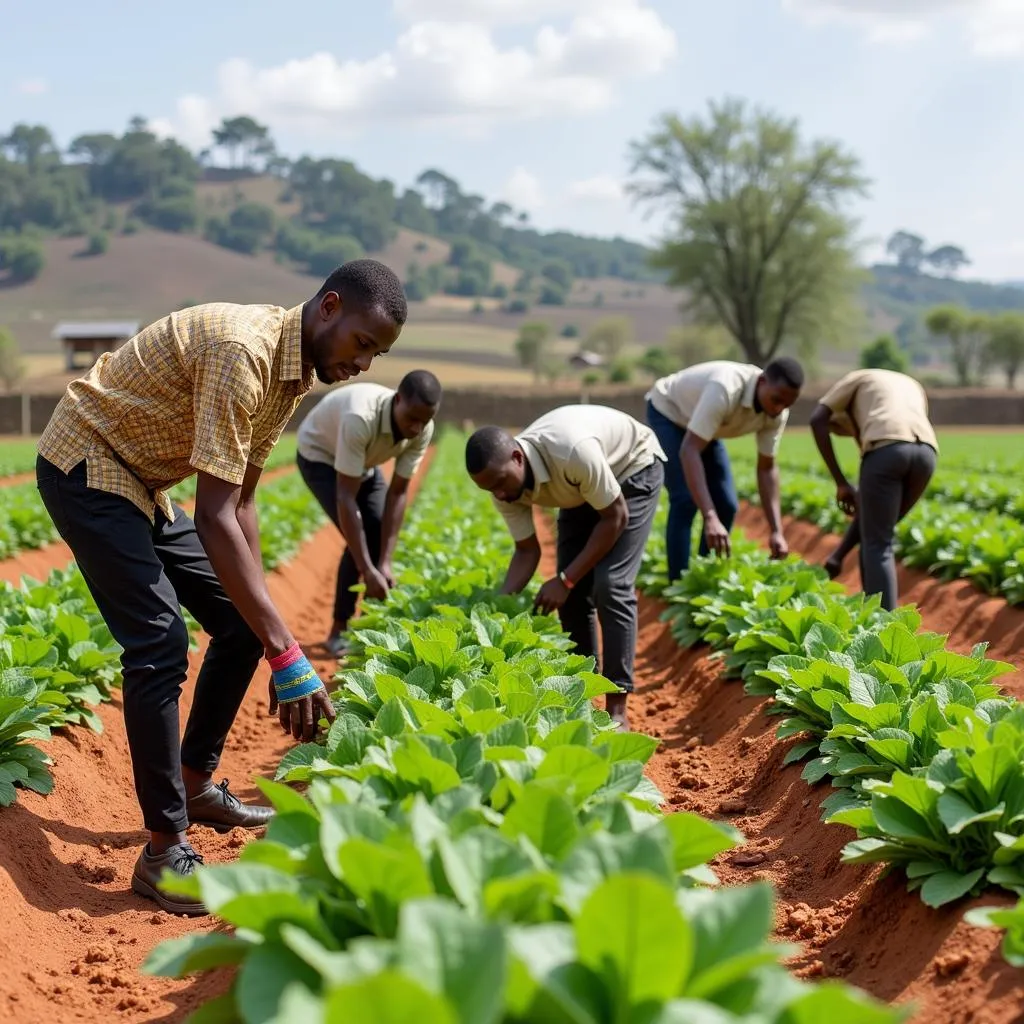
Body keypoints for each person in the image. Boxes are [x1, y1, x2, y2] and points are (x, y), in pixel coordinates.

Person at [34, 259, 407, 915]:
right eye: (363, 344)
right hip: (89, 461)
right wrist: (287, 650)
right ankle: (162, 850)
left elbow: (243, 506)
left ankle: (195, 782)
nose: (365, 365)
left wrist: (266, 627)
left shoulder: (290, 377)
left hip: (142, 479)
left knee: (236, 622)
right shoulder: (245, 353)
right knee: (159, 642)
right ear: (329, 308)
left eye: (377, 354)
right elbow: (212, 514)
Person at [465, 406, 666, 729]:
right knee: (571, 596)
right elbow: (527, 551)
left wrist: (566, 578)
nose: (499, 494)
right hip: (577, 489)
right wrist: (497, 605)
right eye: (490, 489)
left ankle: (617, 705)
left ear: (517, 458)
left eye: (501, 483)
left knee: (611, 584)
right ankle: (583, 691)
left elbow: (615, 517)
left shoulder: (571, 451)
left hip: (631, 468)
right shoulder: (502, 487)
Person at [296, 371, 441, 656]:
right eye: (411, 418)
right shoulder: (360, 418)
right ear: (397, 400)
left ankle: (366, 628)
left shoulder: (422, 427)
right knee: (357, 539)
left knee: (375, 534)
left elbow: (398, 493)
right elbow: (345, 497)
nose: (416, 427)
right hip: (320, 455)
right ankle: (338, 630)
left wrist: (384, 563)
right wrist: (366, 569)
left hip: (364, 463)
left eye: (423, 421)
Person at [645, 358, 804, 581]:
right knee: (685, 499)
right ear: (762, 382)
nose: (779, 409)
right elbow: (689, 450)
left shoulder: (777, 412)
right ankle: (678, 583)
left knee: (727, 505)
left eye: (787, 405)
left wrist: (776, 530)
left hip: (705, 430)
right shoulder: (725, 388)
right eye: (776, 400)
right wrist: (709, 517)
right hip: (670, 413)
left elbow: (767, 469)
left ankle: (703, 576)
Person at [809, 368, 938, 610]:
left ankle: (884, 628)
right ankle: (873, 614)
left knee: (878, 545)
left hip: (887, 450)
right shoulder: (909, 384)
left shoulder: (858, 378)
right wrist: (838, 555)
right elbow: (869, 517)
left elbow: (817, 418)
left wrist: (841, 482)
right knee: (878, 532)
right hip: (926, 453)